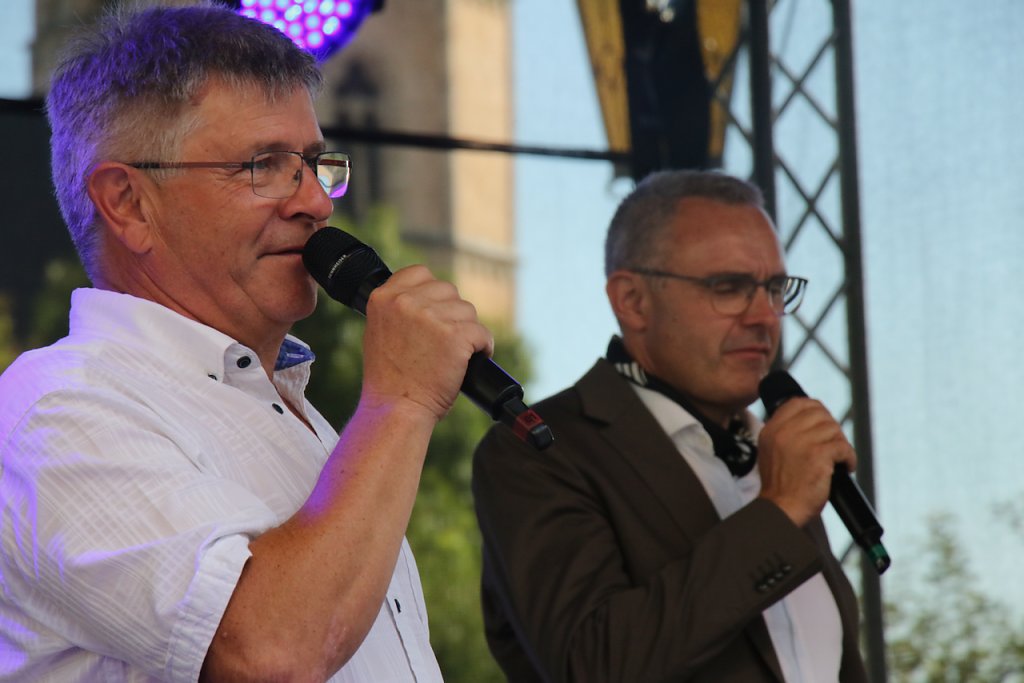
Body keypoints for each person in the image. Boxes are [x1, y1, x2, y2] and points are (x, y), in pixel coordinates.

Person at [0, 3, 492, 681]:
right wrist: (402, 403)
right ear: (128, 204)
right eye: (264, 165)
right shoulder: (56, 412)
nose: (317, 203)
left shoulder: (301, 416)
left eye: (314, 164)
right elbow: (270, 651)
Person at [472, 170, 869, 683]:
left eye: (774, 289)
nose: (765, 317)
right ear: (633, 300)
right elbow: (593, 664)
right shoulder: (541, 449)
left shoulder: (775, 452)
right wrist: (779, 510)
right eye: (729, 287)